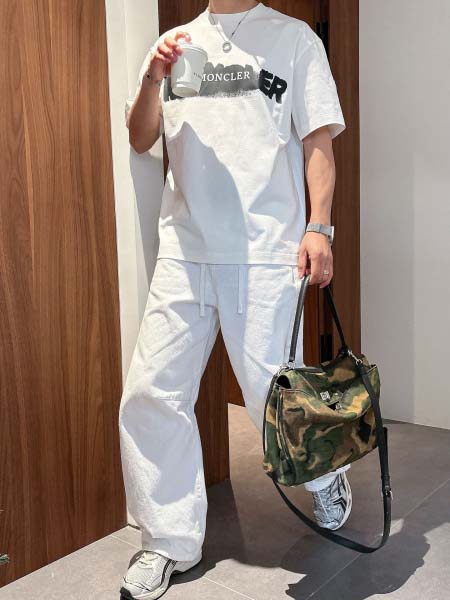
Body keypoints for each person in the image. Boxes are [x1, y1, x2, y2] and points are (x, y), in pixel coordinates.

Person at [120, 1, 350, 598]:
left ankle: (324, 475)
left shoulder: (294, 40)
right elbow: (141, 137)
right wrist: (152, 77)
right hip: (185, 249)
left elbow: (317, 140)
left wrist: (319, 227)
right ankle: (167, 538)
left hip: (266, 250)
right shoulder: (178, 44)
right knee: (152, 390)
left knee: (271, 394)